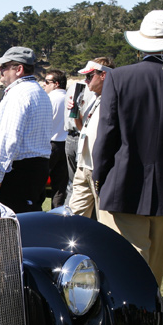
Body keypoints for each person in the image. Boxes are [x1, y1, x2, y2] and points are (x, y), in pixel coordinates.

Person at [92, 10, 163, 288]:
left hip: (123, 185)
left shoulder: (119, 78)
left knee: (124, 267)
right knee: (154, 272)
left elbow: (106, 136)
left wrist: (100, 179)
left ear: (140, 44)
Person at [0, 46, 53, 212]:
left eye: (4, 66)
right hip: (35, 167)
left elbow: (9, 140)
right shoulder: (39, 92)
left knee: (12, 220)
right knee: (30, 217)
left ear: (19, 69)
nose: (0, 70)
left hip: (18, 171)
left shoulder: (18, 94)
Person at [69, 58, 114, 218]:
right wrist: (76, 112)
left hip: (99, 166)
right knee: (75, 214)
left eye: (89, 76)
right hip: (83, 165)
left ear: (103, 75)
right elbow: (82, 128)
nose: (86, 80)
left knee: (104, 216)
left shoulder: (114, 99)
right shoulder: (94, 98)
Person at [42, 69, 68, 207]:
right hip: (66, 144)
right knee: (60, 186)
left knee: (39, 182)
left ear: (56, 84)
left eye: (47, 82)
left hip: (50, 143)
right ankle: (57, 212)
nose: (44, 84)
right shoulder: (70, 97)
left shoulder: (49, 99)